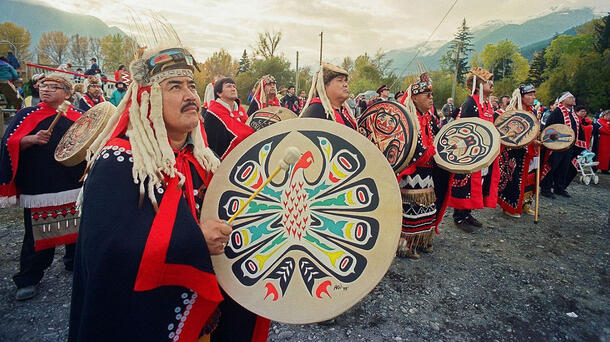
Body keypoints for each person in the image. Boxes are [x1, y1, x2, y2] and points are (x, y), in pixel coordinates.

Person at [69, 45, 270, 341]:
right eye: (175, 86)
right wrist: (194, 240)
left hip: (205, 319)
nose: (190, 95)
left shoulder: (200, 159)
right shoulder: (118, 161)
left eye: (191, 85)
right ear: (146, 99)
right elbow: (110, 255)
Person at [0, 73, 85, 301]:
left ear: (67, 94)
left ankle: (73, 263)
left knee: (77, 229)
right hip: (40, 185)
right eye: (44, 86)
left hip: (72, 182)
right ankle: (28, 277)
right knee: (36, 233)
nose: (46, 90)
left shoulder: (79, 117)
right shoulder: (27, 115)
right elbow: (9, 143)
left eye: (54, 87)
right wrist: (31, 139)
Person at [396, 73, 451, 259]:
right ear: (414, 98)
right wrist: (430, 151)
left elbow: (437, 141)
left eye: (431, 95)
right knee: (410, 208)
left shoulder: (429, 119)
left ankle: (422, 239)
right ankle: (405, 243)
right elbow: (409, 148)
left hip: (427, 171)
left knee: (427, 205)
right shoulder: (407, 120)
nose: (431, 98)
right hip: (410, 173)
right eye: (426, 95)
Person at [447, 67, 500, 232]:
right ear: (478, 86)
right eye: (487, 81)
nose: (491, 84)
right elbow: (464, 129)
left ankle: (467, 213)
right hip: (470, 152)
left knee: (479, 182)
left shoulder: (486, 104)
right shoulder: (470, 103)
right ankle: (459, 216)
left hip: (483, 151)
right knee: (466, 184)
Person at [497, 84, 545, 218]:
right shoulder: (512, 111)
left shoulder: (532, 112)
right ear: (521, 96)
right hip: (513, 151)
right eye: (530, 95)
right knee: (513, 179)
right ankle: (510, 206)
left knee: (530, 178)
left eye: (533, 94)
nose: (533, 97)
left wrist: (536, 141)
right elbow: (506, 132)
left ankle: (525, 204)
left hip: (529, 151)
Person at [540, 92, 586, 198]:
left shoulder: (573, 114)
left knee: (564, 168)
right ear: (563, 100)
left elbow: (577, 128)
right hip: (557, 146)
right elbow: (550, 128)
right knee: (552, 167)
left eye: (573, 97)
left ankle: (559, 188)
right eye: (570, 97)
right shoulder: (557, 112)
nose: (573, 99)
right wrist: (555, 142)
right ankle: (546, 189)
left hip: (569, 146)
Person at [203, 77, 254, 159]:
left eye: (234, 86)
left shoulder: (241, 110)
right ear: (219, 93)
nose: (233, 89)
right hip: (224, 161)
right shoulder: (213, 112)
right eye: (229, 86)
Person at [299, 62, 357, 129]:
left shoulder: (345, 113)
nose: (345, 85)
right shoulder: (316, 111)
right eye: (340, 80)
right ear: (324, 86)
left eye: (346, 81)